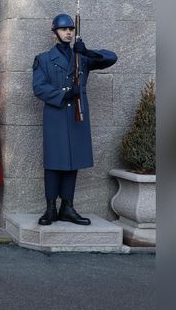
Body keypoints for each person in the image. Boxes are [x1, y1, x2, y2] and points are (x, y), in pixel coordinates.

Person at [32, 13, 117, 226]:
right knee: (54, 162)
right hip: (56, 114)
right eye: (63, 29)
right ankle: (51, 207)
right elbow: (39, 87)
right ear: (55, 34)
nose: (68, 32)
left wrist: (87, 51)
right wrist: (64, 94)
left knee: (73, 162)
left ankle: (67, 207)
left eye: (70, 28)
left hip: (77, 115)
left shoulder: (81, 56)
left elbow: (111, 57)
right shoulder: (43, 59)